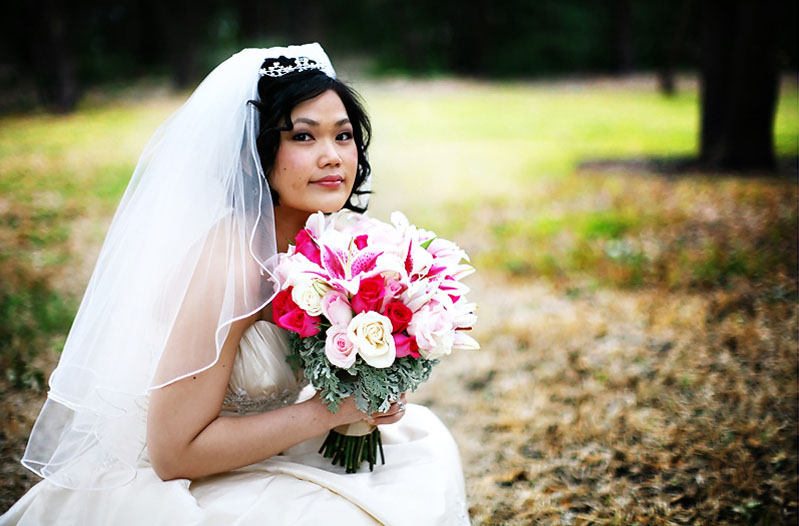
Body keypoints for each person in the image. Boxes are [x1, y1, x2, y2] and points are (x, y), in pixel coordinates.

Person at [0, 44, 469, 526]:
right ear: (256, 153)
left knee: (423, 447)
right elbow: (173, 453)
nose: (332, 157)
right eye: (304, 137)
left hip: (251, 450)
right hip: (180, 482)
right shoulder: (231, 266)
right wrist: (332, 411)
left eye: (343, 136)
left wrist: (374, 371)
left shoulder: (320, 245)